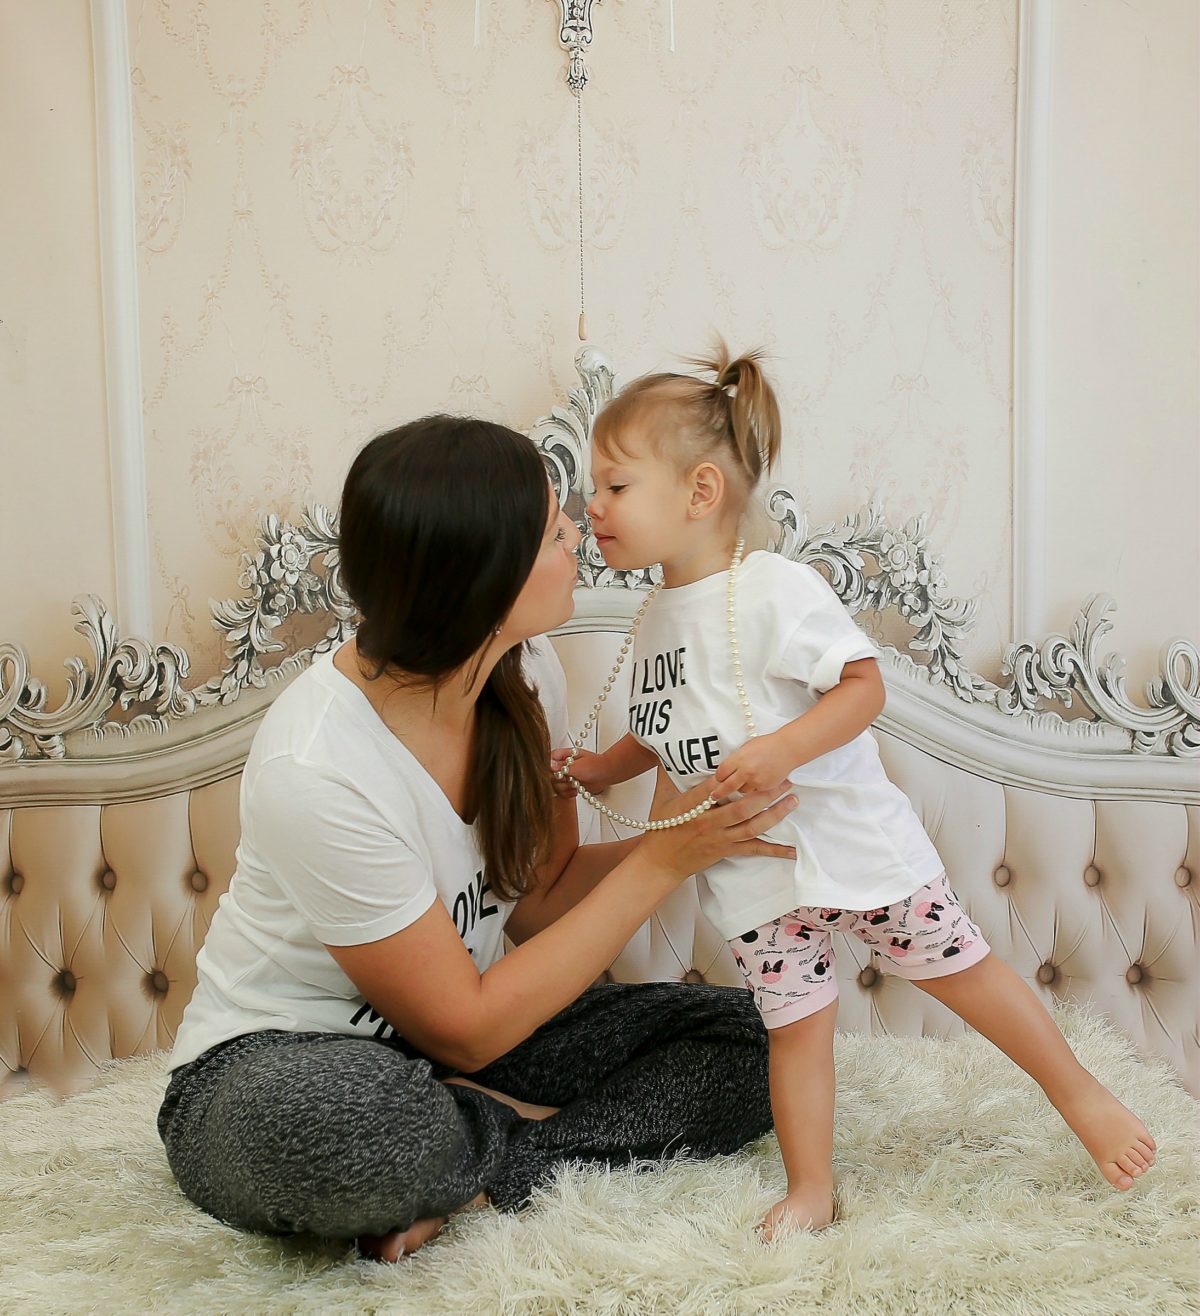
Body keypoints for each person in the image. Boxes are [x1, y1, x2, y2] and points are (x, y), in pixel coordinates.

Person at [157, 415, 801, 1262]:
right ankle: (454, 1143)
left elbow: (539, 902)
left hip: (460, 1054)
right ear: (481, 582)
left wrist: (701, 827)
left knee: (752, 1041)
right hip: (280, 1066)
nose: (576, 530)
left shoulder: (526, 674)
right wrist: (662, 861)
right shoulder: (316, 768)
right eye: (547, 529)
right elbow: (463, 1027)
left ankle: (481, 1159)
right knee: (342, 1132)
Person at [552, 343, 1157, 1240]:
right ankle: (812, 1190)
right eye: (591, 490)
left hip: (850, 848)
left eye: (613, 486)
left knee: (964, 973)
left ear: (700, 493)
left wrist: (782, 749)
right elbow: (669, 722)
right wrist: (605, 768)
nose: (589, 506)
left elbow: (861, 687)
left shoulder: (775, 590)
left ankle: (1081, 1093)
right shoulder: (655, 617)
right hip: (755, 876)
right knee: (796, 1028)